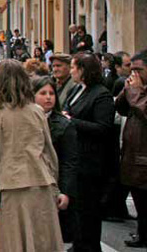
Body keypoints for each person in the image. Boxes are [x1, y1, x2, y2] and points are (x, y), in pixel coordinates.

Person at [0, 59, 63, 252]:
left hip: (12, 184)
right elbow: (48, 151)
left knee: (15, 242)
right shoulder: (37, 111)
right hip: (41, 181)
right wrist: (55, 183)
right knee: (42, 241)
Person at [64, 53, 114, 252]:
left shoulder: (101, 94)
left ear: (84, 70)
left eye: (74, 67)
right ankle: (79, 244)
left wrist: (71, 121)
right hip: (76, 158)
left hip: (91, 161)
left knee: (89, 210)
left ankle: (89, 246)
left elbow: (103, 127)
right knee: (78, 209)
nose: (72, 70)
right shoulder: (77, 89)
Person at [33, 76, 78, 243]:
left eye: (51, 93)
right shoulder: (26, 121)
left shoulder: (63, 124)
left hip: (53, 185)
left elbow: (69, 161)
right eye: (42, 93)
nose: (48, 97)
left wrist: (65, 191)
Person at [116, 50, 147, 248]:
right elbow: (122, 108)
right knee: (140, 202)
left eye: (139, 70)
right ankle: (142, 233)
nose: (134, 74)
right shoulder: (135, 89)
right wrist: (127, 90)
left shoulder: (140, 92)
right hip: (133, 155)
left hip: (144, 156)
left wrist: (136, 92)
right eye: (132, 69)